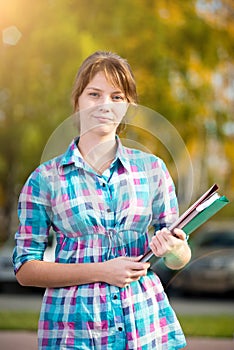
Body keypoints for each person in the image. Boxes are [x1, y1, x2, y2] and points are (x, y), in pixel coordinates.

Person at [13, 51, 191, 349]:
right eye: (94, 94)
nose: (105, 105)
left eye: (117, 97)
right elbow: (25, 269)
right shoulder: (45, 179)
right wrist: (102, 270)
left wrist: (174, 248)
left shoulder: (153, 169)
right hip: (74, 330)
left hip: (145, 325)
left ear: (128, 106)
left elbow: (179, 258)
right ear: (78, 101)